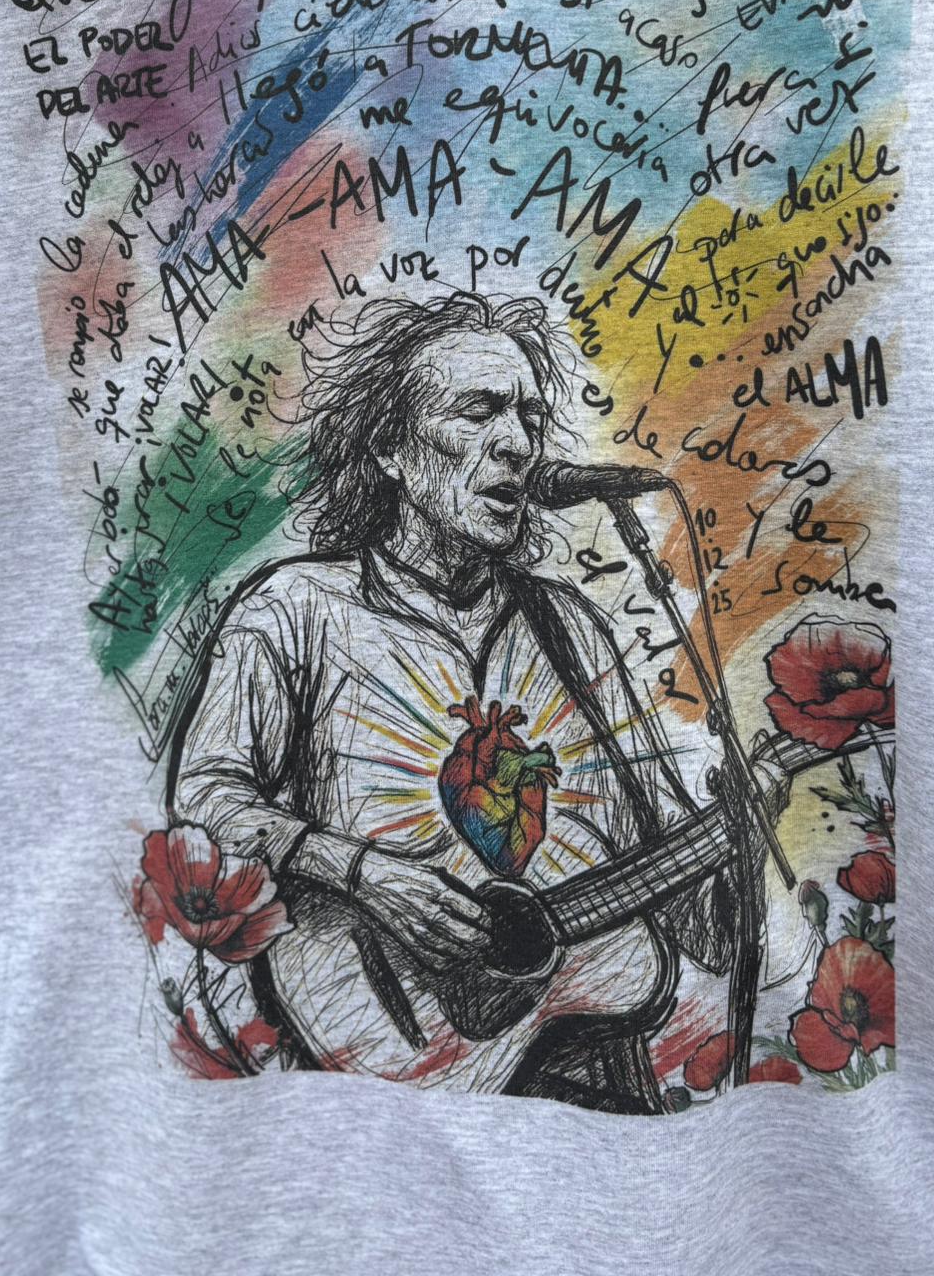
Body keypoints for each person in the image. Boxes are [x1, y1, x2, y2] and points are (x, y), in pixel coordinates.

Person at [166, 290, 787, 1109]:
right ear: (390, 446)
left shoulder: (570, 628)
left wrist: (735, 840)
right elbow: (205, 798)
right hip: (373, 1084)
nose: (519, 445)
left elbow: (696, 926)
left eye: (529, 417)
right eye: (480, 411)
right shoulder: (293, 609)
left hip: (588, 1081)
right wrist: (362, 873)